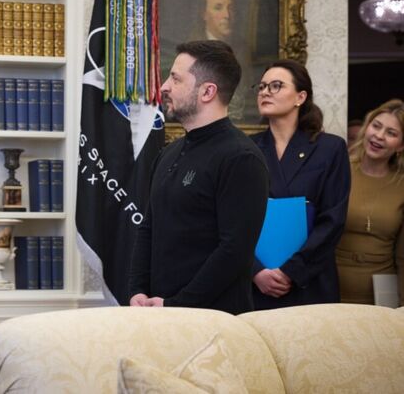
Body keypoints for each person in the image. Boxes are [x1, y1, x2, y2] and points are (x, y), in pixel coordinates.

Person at [129, 40, 269, 315]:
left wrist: (177, 304)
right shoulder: (168, 153)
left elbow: (234, 252)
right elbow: (148, 228)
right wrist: (138, 290)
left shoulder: (241, 158)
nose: (165, 87)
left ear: (207, 91)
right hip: (158, 314)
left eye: (176, 79)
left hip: (214, 321)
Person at [250, 59, 350, 309]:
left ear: (300, 97)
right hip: (255, 284)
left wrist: (291, 272)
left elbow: (333, 220)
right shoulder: (246, 148)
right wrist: (255, 271)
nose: (265, 92)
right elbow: (230, 218)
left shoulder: (330, 148)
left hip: (309, 282)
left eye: (276, 86)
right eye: (261, 86)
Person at [336, 99, 404, 305]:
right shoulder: (339, 170)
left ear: (401, 145)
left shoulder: (401, 184)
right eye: (376, 126)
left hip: (384, 294)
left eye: (391, 133)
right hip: (331, 286)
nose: (379, 136)